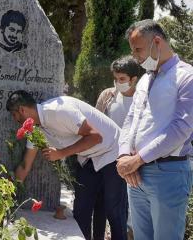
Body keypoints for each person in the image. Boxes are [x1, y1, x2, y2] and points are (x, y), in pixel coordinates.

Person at [8, 90, 126, 240]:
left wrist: (61, 153)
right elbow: (25, 165)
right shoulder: (35, 130)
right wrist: (8, 194)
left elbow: (95, 137)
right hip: (87, 157)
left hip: (111, 151)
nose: (14, 119)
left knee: (113, 211)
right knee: (81, 211)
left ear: (22, 110)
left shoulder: (58, 111)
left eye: (14, 115)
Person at [117, 20, 193, 240]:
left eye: (138, 49)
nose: (136, 56)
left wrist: (138, 159)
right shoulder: (144, 80)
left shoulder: (186, 77)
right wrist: (124, 156)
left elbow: (181, 128)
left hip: (167, 173)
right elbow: (131, 120)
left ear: (157, 42)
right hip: (136, 175)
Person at [94, 56, 144, 240]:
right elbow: (96, 123)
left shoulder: (144, 99)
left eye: (122, 79)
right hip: (109, 160)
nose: (117, 83)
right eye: (115, 79)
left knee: (130, 209)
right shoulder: (108, 96)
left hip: (135, 162)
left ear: (134, 79)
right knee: (110, 207)